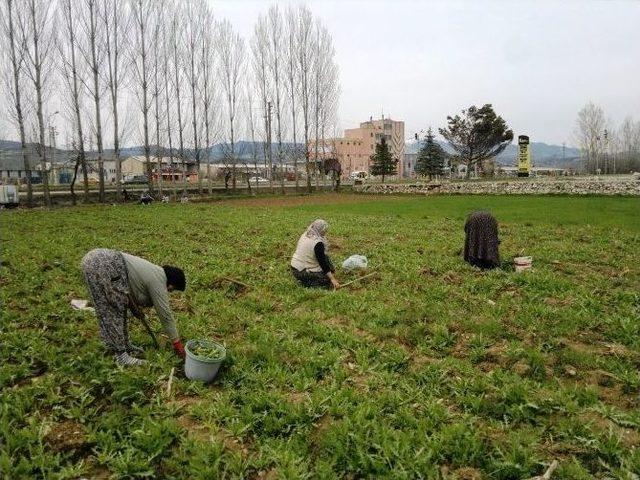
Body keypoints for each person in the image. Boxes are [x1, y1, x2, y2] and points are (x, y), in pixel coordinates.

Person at [81, 249, 187, 366]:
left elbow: (128, 294)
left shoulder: (153, 271)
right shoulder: (159, 279)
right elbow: (165, 314)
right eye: (171, 290)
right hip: (105, 264)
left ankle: (122, 345)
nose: (168, 292)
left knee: (115, 305)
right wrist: (177, 344)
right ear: (171, 283)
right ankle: (121, 355)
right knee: (112, 309)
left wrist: (135, 309)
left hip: (95, 260)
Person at [290, 219, 340, 289]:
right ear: (321, 230)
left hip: (294, 266)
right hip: (302, 271)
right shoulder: (318, 243)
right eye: (324, 231)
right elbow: (322, 263)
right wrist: (332, 279)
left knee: (326, 257)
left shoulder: (305, 234)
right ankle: (306, 283)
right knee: (325, 280)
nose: (325, 233)